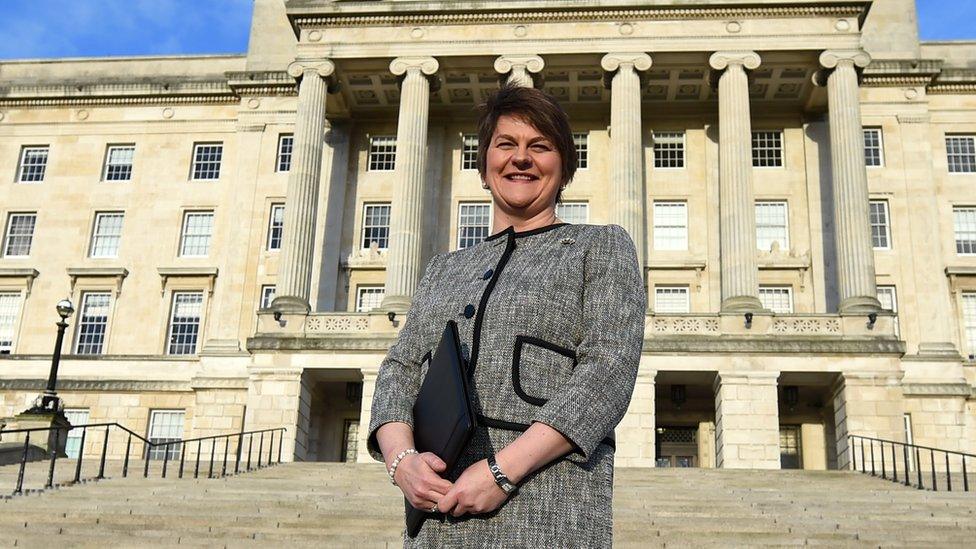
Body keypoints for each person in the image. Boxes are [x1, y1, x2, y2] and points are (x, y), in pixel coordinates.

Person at [367, 84, 646, 547]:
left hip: (547, 508)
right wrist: (402, 463)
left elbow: (607, 371)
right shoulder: (444, 268)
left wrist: (501, 472)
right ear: (483, 165)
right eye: (506, 145)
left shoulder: (600, 247)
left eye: (540, 146)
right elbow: (400, 369)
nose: (521, 158)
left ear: (565, 167)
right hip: (438, 515)